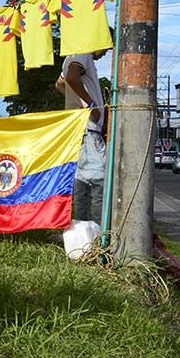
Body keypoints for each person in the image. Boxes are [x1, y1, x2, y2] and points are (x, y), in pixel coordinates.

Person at [56, 43, 111, 224]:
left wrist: (75, 103)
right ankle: (98, 235)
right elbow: (71, 77)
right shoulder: (82, 52)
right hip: (88, 130)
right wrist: (90, 106)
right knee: (98, 182)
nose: (104, 53)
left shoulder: (70, 55)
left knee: (81, 184)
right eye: (106, 47)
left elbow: (60, 83)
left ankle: (82, 231)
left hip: (79, 129)